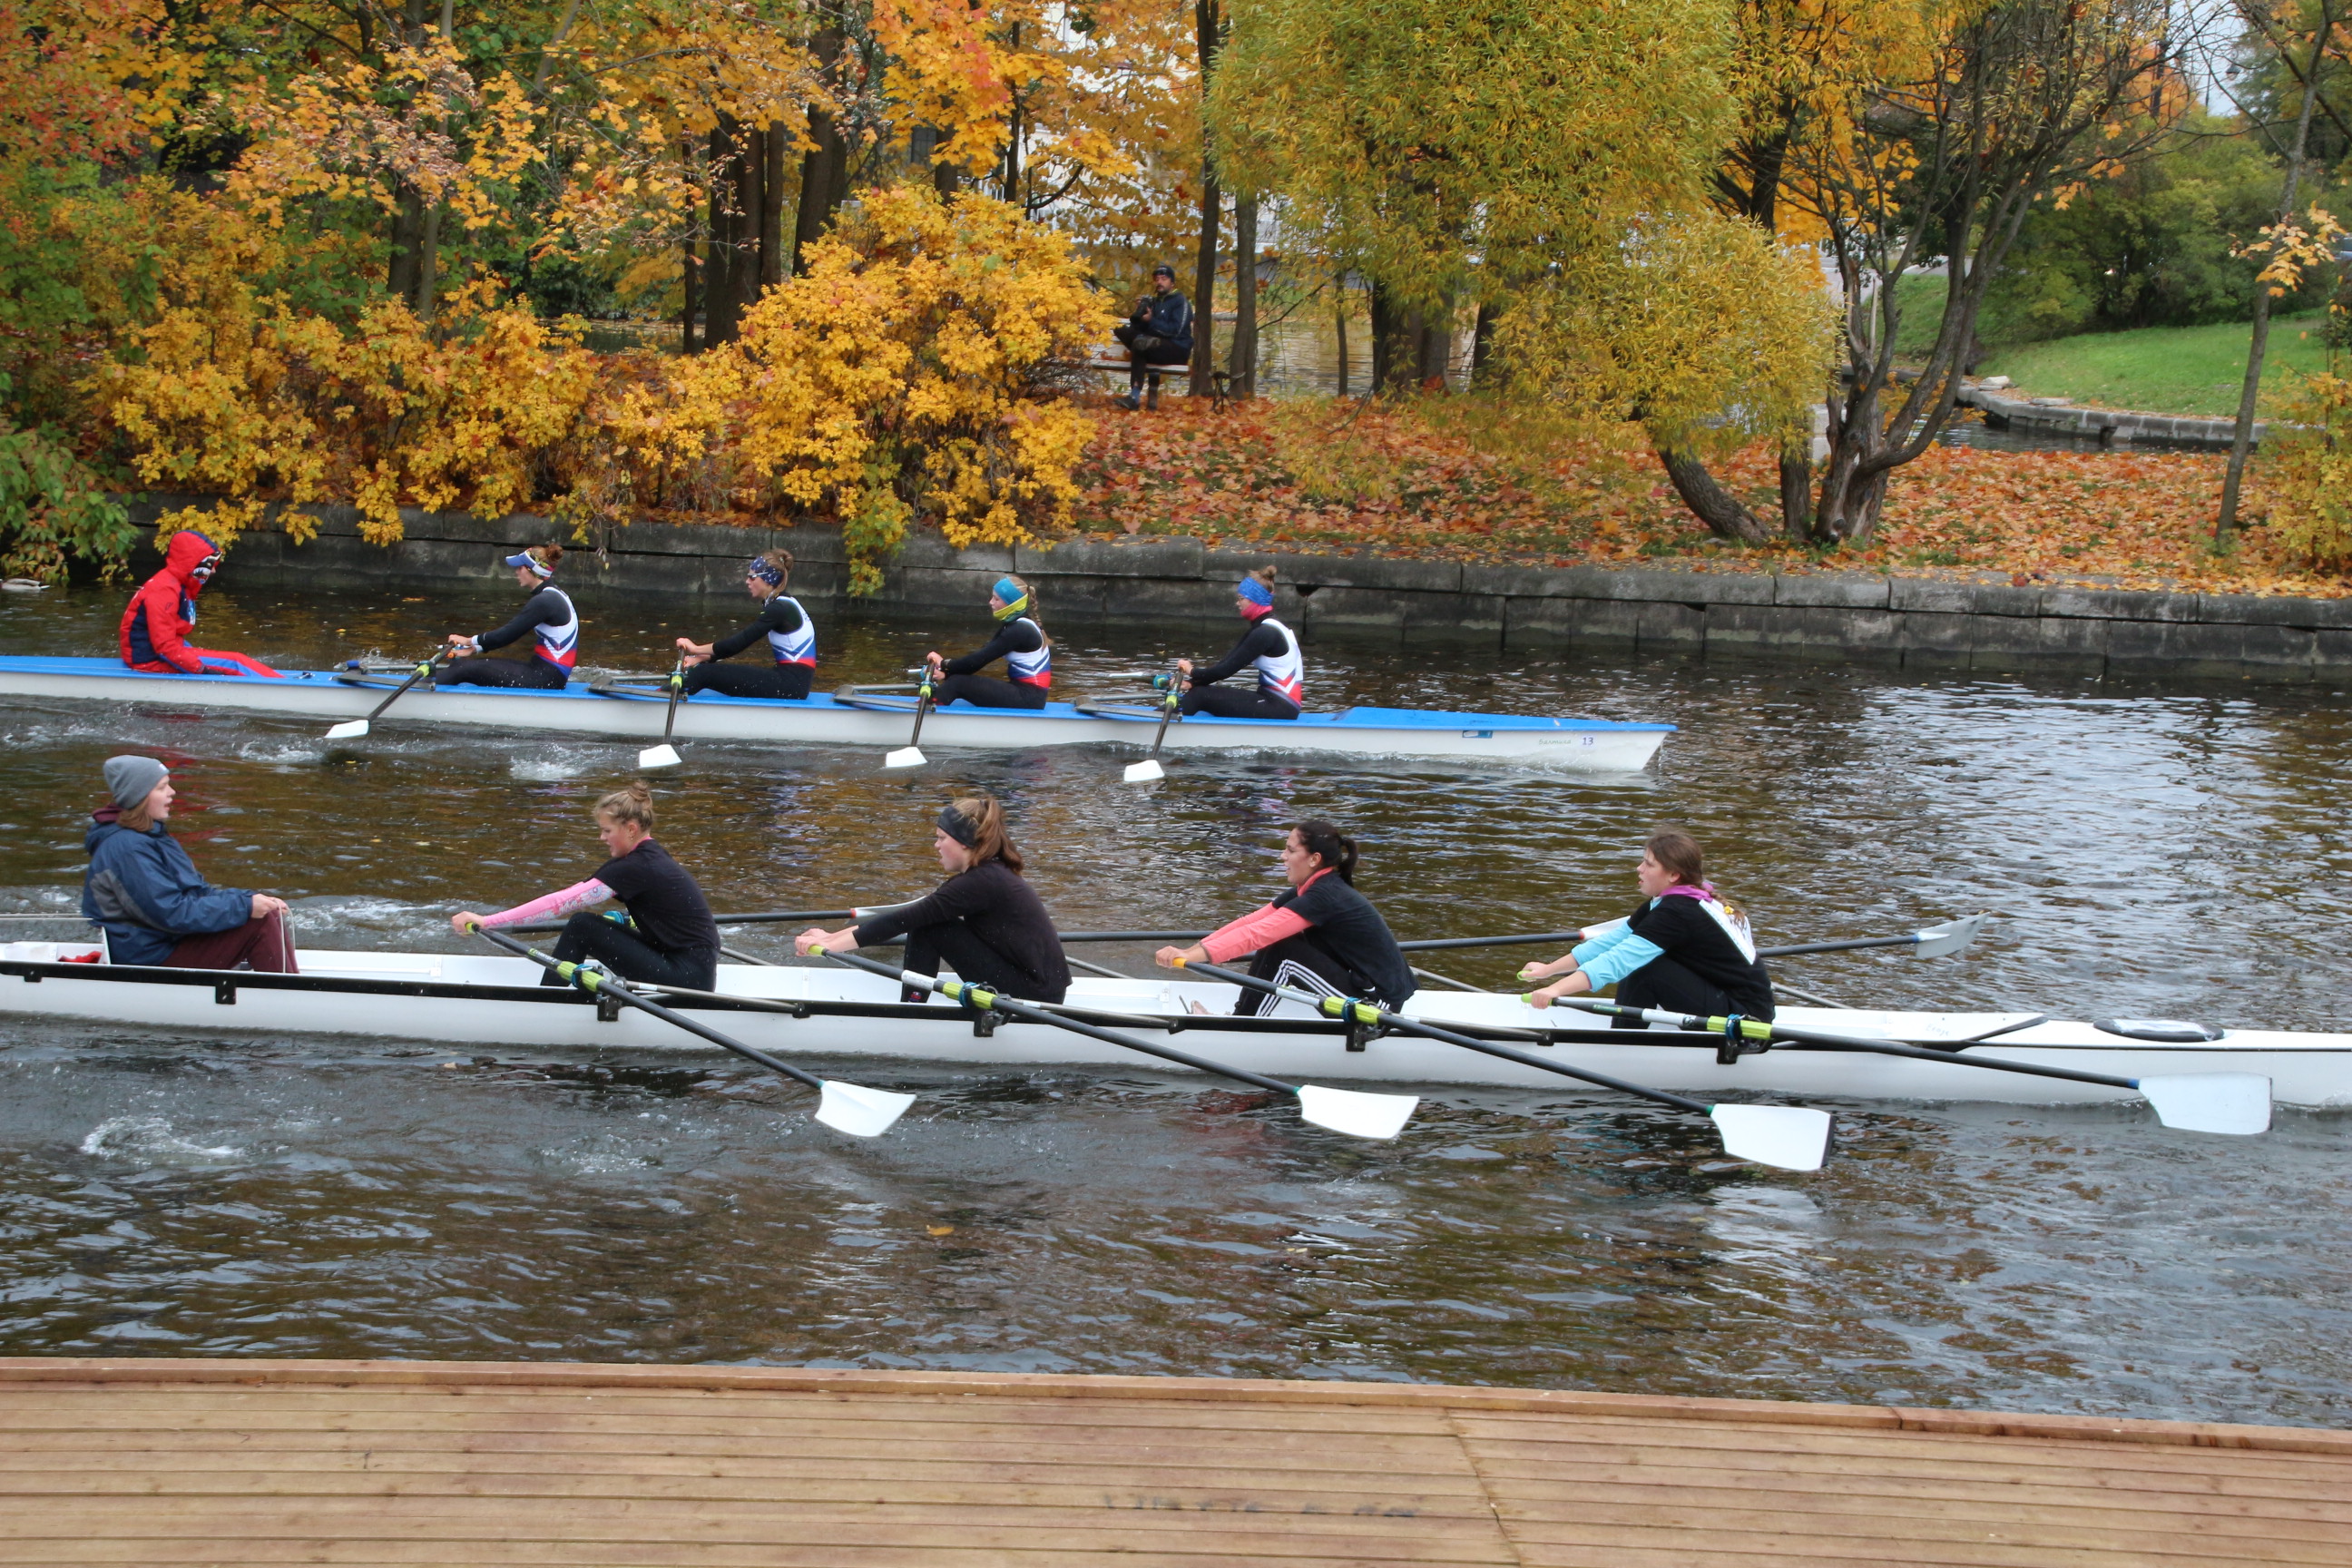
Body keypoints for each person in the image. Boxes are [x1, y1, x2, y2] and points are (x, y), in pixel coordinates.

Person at [799, 796, 1071, 1006]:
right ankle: (915, 1003)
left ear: (964, 843)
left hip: (1036, 998)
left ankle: (912, 1009)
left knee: (929, 925)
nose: (936, 846)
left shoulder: (981, 882)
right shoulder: (986, 874)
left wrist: (831, 944)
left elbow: (902, 920)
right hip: (1040, 984)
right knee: (928, 920)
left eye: (942, 838)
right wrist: (830, 937)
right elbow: (908, 914)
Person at [455, 780, 720, 992]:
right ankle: (556, 993)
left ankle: (547, 1001)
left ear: (630, 829)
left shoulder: (635, 867)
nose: (601, 837)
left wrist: (488, 921)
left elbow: (560, 903)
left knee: (583, 926)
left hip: (687, 980)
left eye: (607, 831)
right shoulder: (651, 856)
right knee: (586, 925)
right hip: (694, 967)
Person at [1155, 819, 1413, 1017]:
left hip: (1376, 1005)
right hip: (1362, 986)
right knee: (1277, 941)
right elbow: (1250, 923)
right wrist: (1190, 951)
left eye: (1290, 850)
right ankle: (1243, 1018)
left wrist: (1191, 957)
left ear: (1314, 859)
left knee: (1283, 949)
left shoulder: (1325, 896)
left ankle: (1241, 1027)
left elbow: (1257, 935)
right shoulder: (1311, 887)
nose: (1282, 856)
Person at [1520, 829, 1774, 1028]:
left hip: (1744, 1020)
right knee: (1642, 958)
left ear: (1673, 875)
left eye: (1649, 864)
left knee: (1643, 964)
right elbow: (1612, 942)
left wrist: (1556, 990)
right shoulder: (1674, 900)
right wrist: (1548, 971)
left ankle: (1622, 1046)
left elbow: (1619, 960)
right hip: (1727, 999)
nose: (1639, 869)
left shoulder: (1678, 912)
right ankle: (1627, 1036)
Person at [82, 755, 298, 972]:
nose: (172, 792)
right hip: (149, 960)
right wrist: (245, 907)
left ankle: (287, 985)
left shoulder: (150, 836)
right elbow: (172, 913)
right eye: (162, 787)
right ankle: (288, 996)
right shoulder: (128, 847)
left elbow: (197, 894)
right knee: (257, 922)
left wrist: (249, 899)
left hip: (169, 942)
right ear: (140, 797)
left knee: (266, 912)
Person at [119, 530, 282, 679]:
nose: (213, 571)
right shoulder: (164, 590)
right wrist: (201, 670)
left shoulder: (175, 583)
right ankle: (283, 687)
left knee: (231, 660)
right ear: (191, 564)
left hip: (154, 652)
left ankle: (276, 680)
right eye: (209, 565)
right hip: (149, 661)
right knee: (236, 662)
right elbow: (164, 646)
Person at [674, 549, 816, 701]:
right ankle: (671, 691)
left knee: (704, 674)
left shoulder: (779, 609)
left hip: (791, 687)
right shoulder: (785, 603)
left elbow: (738, 643)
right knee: (701, 670)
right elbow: (735, 645)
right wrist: (701, 658)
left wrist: (695, 648)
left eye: (752, 577)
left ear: (769, 579)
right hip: (792, 683)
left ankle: (662, 698)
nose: (747, 582)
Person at [437, 544, 578, 689]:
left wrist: (469, 640)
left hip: (547, 679)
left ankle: (421, 691)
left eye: (520, 568)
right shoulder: (555, 594)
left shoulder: (545, 601)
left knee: (463, 670)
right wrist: (475, 648)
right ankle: (432, 682)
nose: (516, 572)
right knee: (462, 664)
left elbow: (507, 635)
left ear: (532, 570)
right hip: (544, 671)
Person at [1176, 567, 1302, 720]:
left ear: (1254, 599)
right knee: (1199, 690)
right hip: (1277, 702)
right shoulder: (1266, 627)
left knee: (1200, 695)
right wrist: (1193, 683)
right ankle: (1161, 717)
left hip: (1280, 707)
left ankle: (1153, 723)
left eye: (1241, 598)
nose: (1238, 603)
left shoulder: (1266, 633)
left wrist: (1192, 671)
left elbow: (1224, 671)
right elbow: (1225, 664)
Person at [923, 576, 1051, 711]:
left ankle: (926, 709)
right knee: (956, 679)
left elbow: (977, 661)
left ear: (1011, 603)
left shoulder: (1020, 630)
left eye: (996, 599)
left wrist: (944, 664)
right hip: (1026, 693)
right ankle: (932, 703)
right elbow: (978, 658)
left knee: (957, 683)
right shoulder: (1016, 624)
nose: (990, 602)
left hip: (1029, 698)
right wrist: (946, 674)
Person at [1112, 264, 1193, 411]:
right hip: (1153, 346)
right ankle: (1134, 398)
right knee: (1123, 331)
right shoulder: (1154, 303)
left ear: (1172, 283)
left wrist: (1151, 321)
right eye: (1157, 279)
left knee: (1141, 342)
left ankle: (1134, 398)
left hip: (1176, 349)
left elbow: (1175, 331)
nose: (1159, 282)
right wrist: (1140, 314)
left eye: (1164, 279)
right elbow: (1139, 330)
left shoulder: (1181, 302)